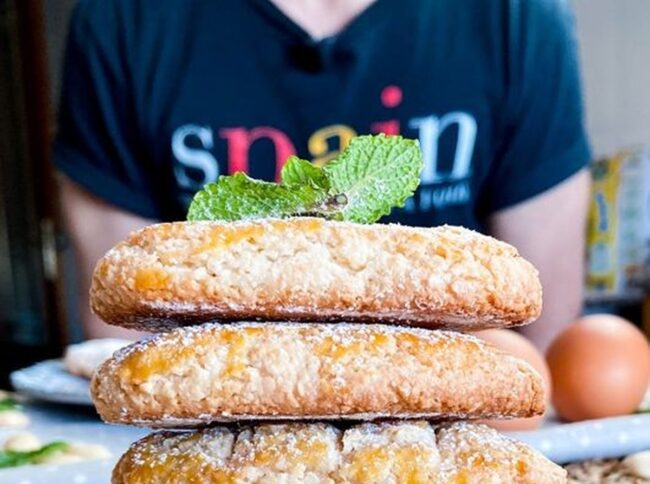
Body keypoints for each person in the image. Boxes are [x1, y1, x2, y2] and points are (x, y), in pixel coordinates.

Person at [54, 0, 591, 348]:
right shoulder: (122, 21)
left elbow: (542, 325)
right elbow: (122, 313)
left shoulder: (518, 17)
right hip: (215, 423)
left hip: (455, 427)